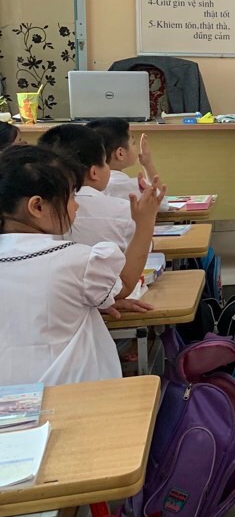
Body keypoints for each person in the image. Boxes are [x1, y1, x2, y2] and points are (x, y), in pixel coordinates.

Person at [0, 145, 156, 385]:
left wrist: (84, 302)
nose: (76, 205)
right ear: (37, 207)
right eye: (71, 196)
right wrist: (145, 223)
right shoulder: (76, 260)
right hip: (75, 392)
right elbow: (125, 284)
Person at [39, 124, 138, 251]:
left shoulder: (38, 213)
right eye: (105, 162)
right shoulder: (125, 211)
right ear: (94, 172)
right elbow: (144, 250)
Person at [88, 118, 158, 201]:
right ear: (120, 153)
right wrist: (148, 164)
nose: (135, 147)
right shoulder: (134, 186)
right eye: (133, 143)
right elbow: (161, 201)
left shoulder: (87, 186)